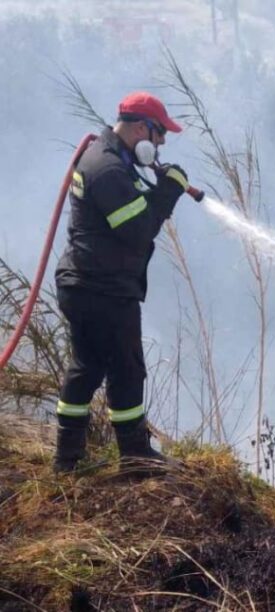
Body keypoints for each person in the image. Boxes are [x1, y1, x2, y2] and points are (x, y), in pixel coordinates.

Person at [52, 92, 190, 474]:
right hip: (102, 290)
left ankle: (67, 461)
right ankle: (135, 456)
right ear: (141, 127)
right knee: (127, 368)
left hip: (87, 283)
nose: (161, 142)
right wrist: (168, 191)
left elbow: (129, 210)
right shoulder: (108, 169)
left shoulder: (113, 159)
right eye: (160, 133)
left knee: (88, 366)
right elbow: (137, 230)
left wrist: (158, 187)